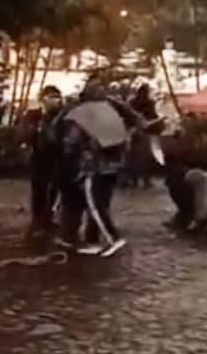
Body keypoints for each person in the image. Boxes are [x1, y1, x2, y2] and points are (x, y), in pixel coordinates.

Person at [55, 80, 130, 256]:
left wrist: (68, 145)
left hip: (93, 169)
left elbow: (70, 140)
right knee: (96, 204)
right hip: (111, 168)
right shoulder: (111, 113)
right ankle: (91, 240)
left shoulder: (82, 115)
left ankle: (113, 238)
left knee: (95, 206)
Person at [25, 85, 64, 237]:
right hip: (39, 156)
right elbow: (26, 133)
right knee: (39, 189)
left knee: (54, 188)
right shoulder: (35, 115)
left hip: (56, 156)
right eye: (50, 97)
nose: (54, 100)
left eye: (56, 96)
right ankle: (38, 219)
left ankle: (48, 217)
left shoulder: (61, 115)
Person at [128, 83, 159, 188]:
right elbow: (153, 116)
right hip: (144, 131)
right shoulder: (150, 103)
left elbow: (127, 115)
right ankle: (145, 181)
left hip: (133, 131)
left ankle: (134, 180)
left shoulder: (132, 102)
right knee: (144, 158)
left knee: (134, 157)